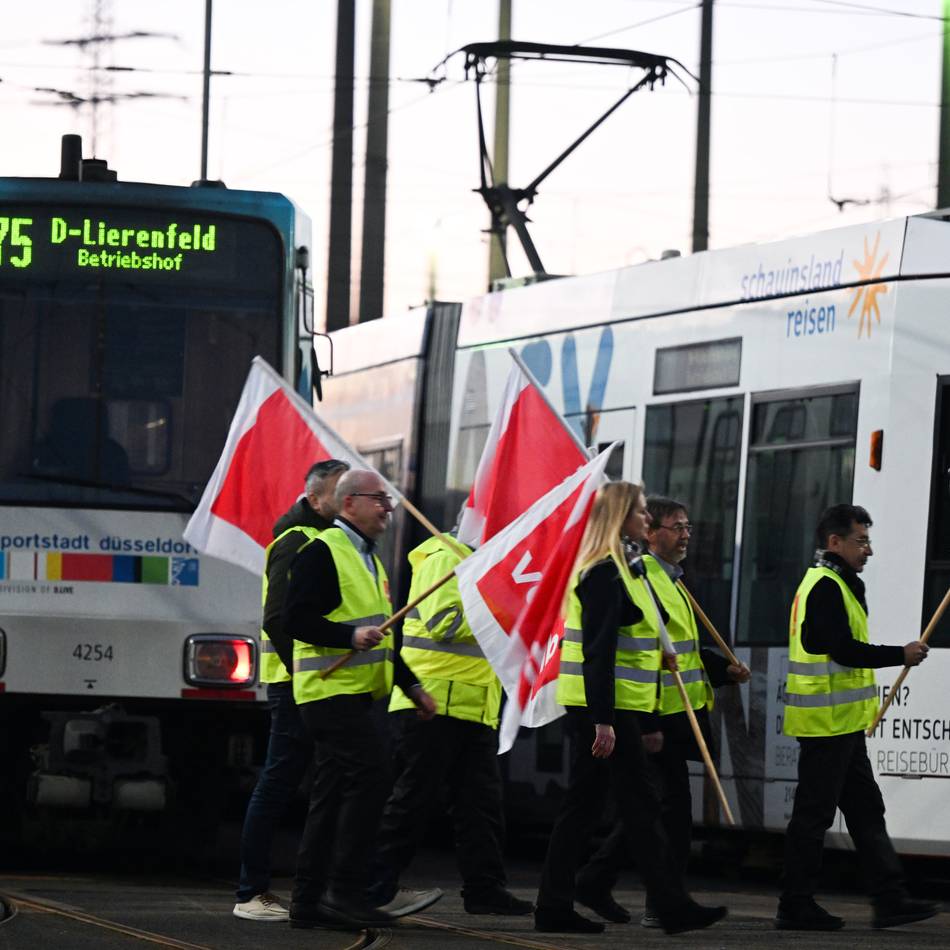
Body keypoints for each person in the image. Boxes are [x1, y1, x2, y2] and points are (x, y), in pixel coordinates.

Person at [534, 481, 727, 936]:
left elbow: (625, 640)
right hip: (600, 707)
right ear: (620, 516)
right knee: (631, 806)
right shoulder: (604, 571)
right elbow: (598, 652)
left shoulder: (625, 567)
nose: (645, 518)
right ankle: (667, 905)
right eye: (640, 511)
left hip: (617, 705)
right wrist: (603, 720)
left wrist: (658, 659)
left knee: (603, 808)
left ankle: (559, 905)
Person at [574, 496, 750, 928]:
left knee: (654, 808)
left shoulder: (672, 580)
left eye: (688, 527)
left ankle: (606, 882)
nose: (686, 534)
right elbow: (641, 654)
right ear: (650, 533)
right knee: (659, 810)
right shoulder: (645, 578)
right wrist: (649, 722)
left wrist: (722, 669)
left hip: (675, 709)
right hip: (658, 713)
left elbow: (681, 652)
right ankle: (658, 900)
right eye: (676, 526)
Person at [282, 469, 439, 930]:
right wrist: (348, 636)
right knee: (373, 778)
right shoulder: (323, 552)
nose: (388, 509)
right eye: (380, 500)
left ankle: (309, 900)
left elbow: (382, 633)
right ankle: (346, 893)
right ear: (349, 503)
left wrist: (409, 685)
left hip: (352, 695)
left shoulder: (366, 557)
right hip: (328, 694)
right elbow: (296, 619)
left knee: (331, 797)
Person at [776, 504, 938, 931]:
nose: (869, 549)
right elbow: (841, 650)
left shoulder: (837, 584)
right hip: (825, 725)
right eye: (861, 540)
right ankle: (796, 904)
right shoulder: (826, 586)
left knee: (866, 810)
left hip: (841, 724)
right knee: (814, 816)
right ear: (835, 542)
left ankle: (889, 899)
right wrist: (898, 655)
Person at [369, 534, 534, 917]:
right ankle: (373, 887)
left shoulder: (492, 566)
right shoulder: (444, 558)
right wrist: (508, 610)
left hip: (474, 708)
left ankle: (485, 889)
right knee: (412, 802)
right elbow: (445, 623)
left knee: (481, 807)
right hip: (430, 704)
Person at [233, 459, 350, 922]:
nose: (346, 500)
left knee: (324, 784)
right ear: (315, 498)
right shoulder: (296, 541)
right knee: (279, 784)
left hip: (318, 683)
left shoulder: (327, 539)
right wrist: (302, 675)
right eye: (339, 492)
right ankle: (250, 892)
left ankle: (322, 888)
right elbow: (277, 620)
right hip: (296, 685)